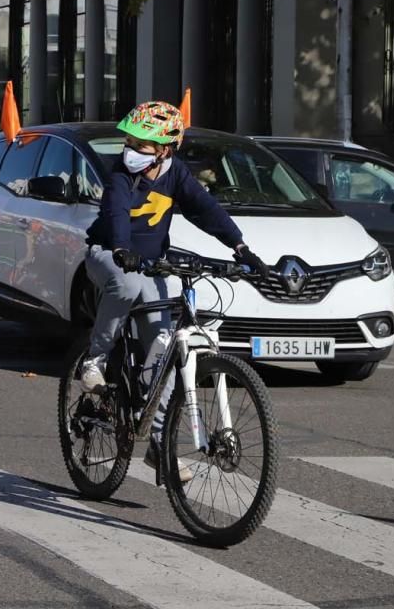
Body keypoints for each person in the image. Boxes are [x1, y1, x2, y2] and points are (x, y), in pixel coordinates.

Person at [82, 100, 269, 478]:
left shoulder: (175, 173)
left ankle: (157, 443)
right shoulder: (121, 174)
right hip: (107, 253)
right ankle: (94, 361)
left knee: (165, 342)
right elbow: (117, 212)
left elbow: (205, 208)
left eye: (141, 145)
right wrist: (120, 247)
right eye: (129, 142)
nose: (131, 151)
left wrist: (240, 247)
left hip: (152, 262)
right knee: (127, 283)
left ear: (166, 149)